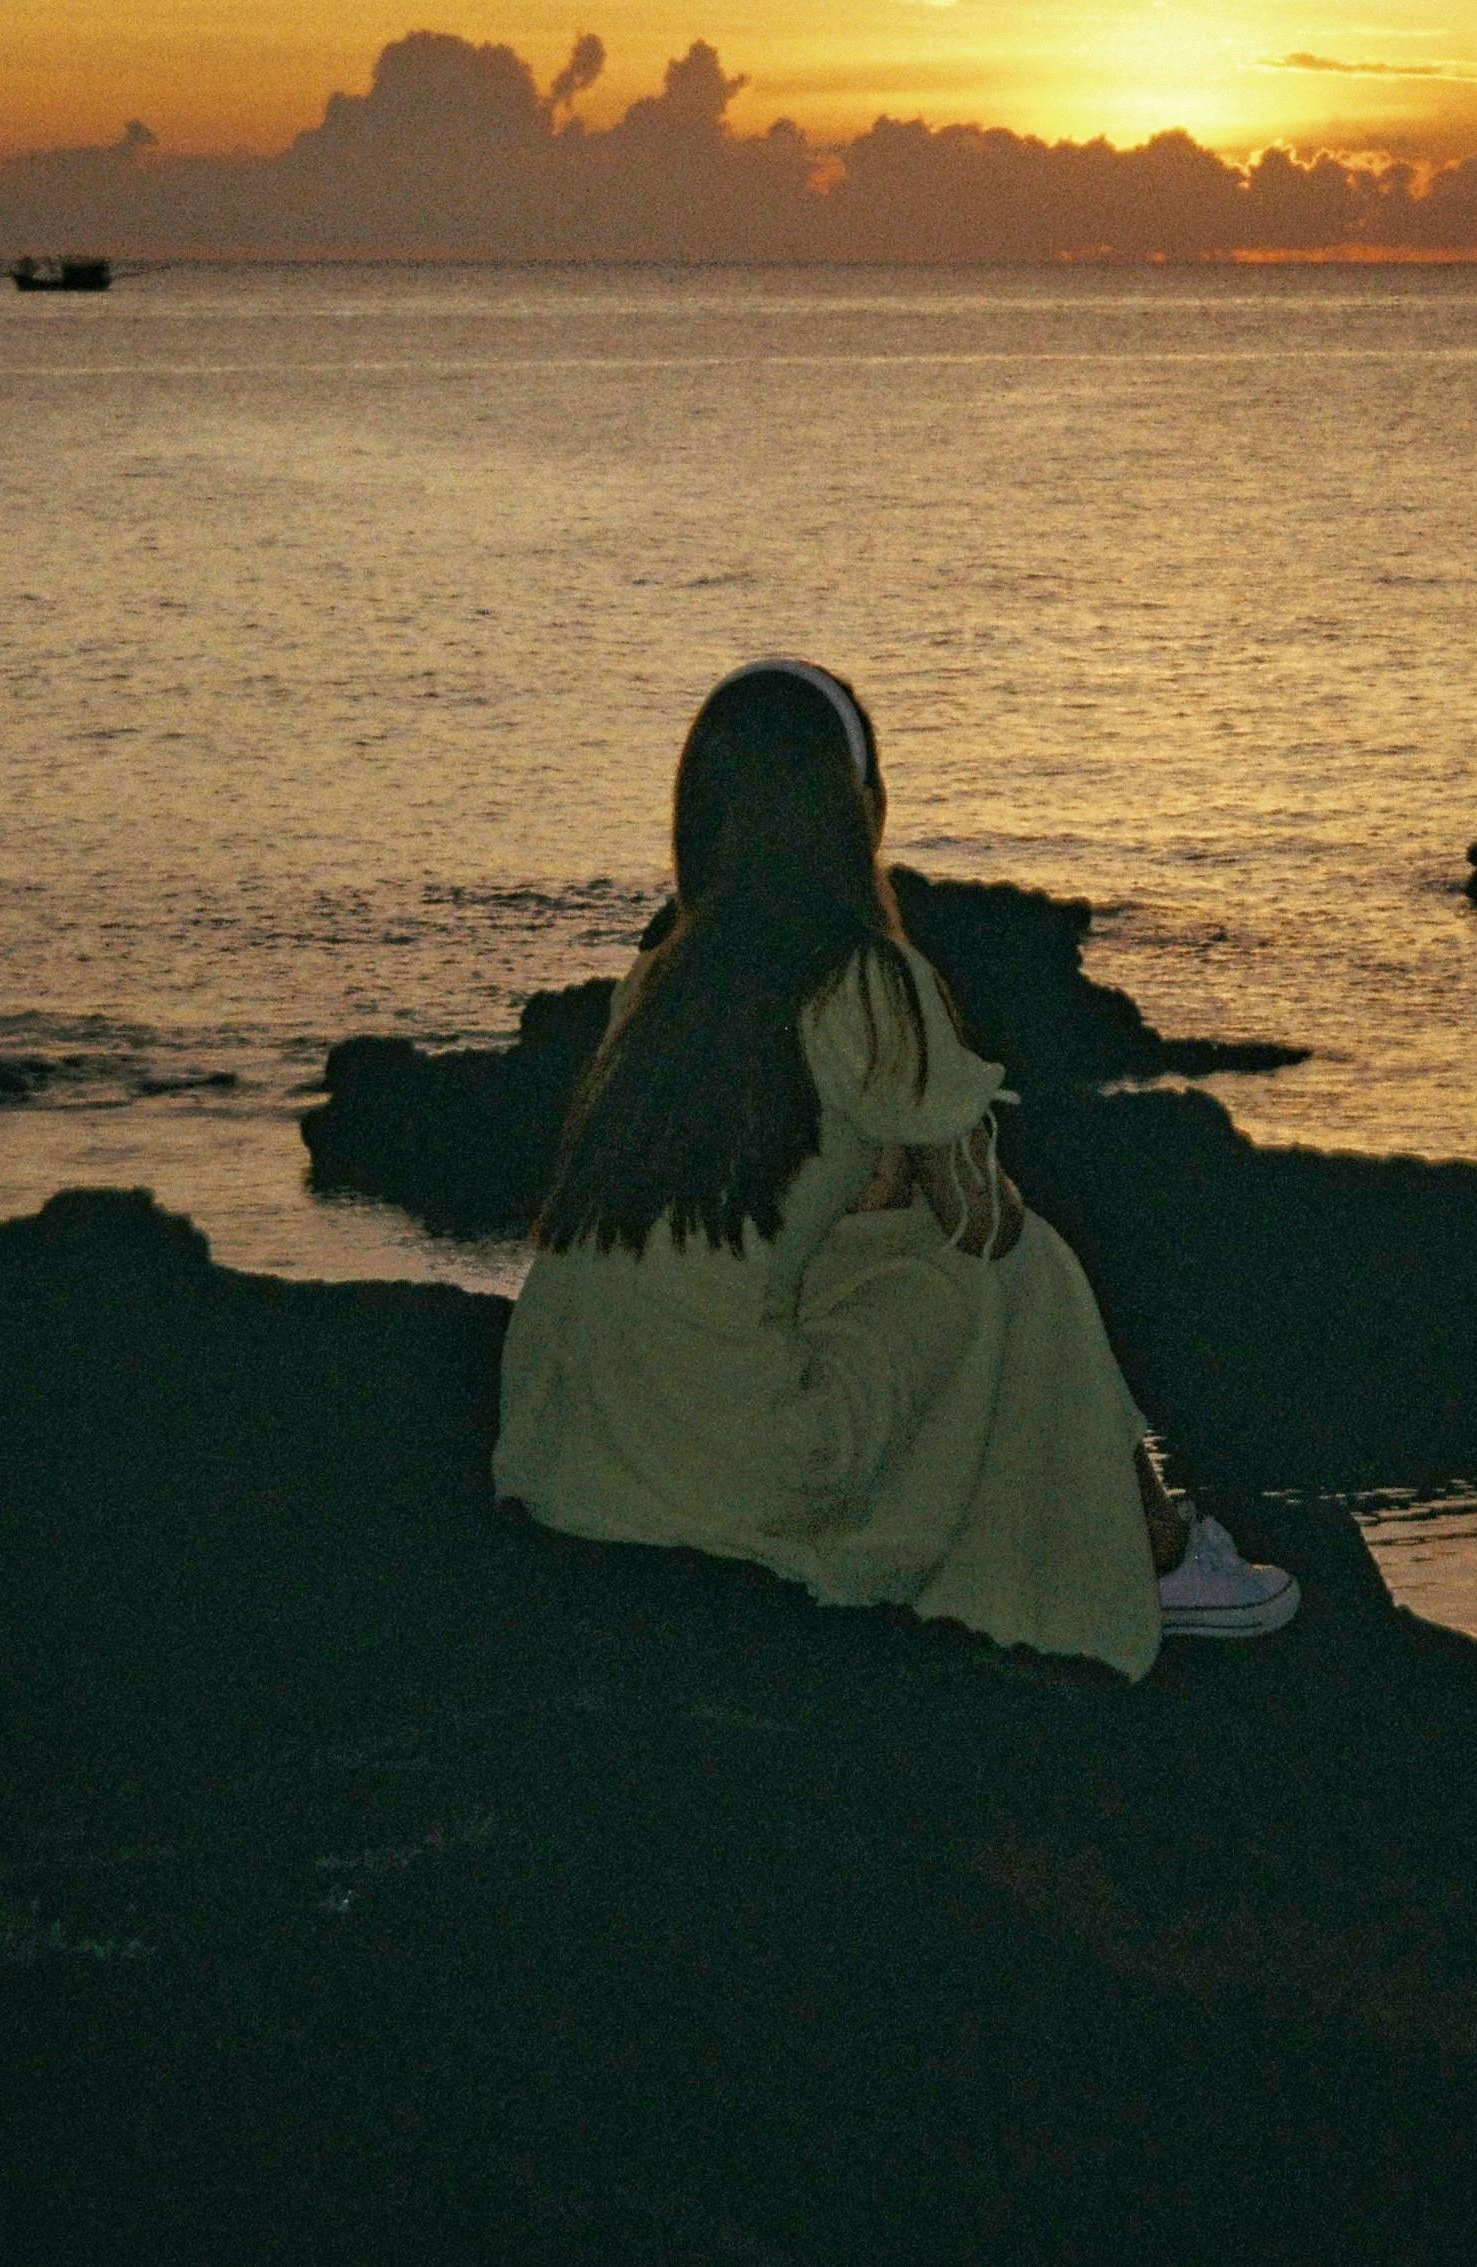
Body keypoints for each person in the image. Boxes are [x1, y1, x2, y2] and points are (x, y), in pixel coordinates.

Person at [493, 657, 1299, 1675]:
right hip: (734, 1470)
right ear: (853, 811)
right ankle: (1146, 1551)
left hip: (564, 1445)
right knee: (1023, 1271)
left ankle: (1128, 1545)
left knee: (862, 1260)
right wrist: (907, 1174)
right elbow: (980, 1218)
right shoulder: (867, 978)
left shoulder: (660, 976)